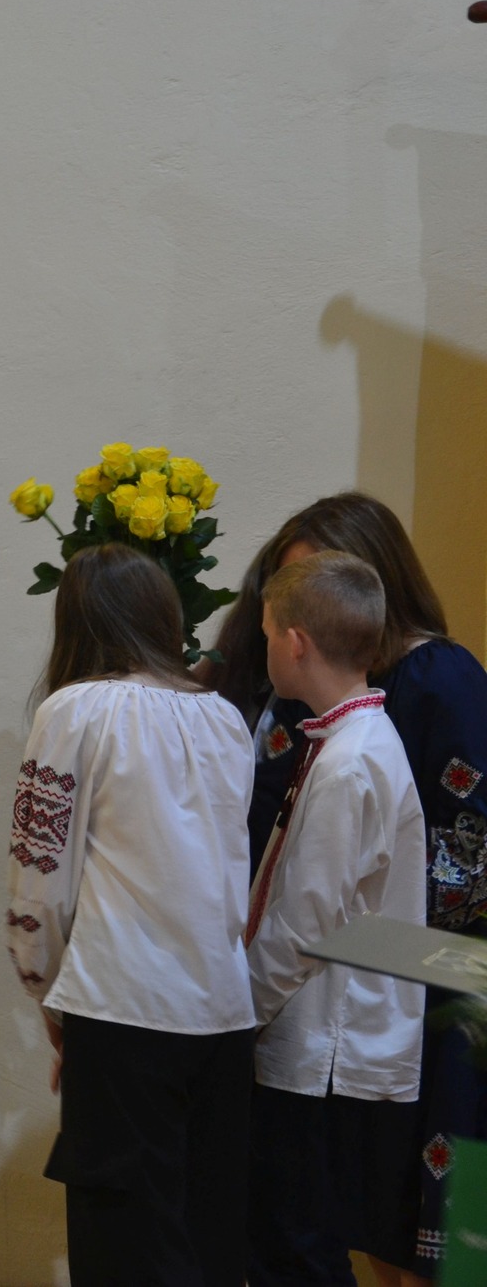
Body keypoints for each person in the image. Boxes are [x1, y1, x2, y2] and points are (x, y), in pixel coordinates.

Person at [211, 491, 487, 1284]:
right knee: (335, 1222)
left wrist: (360, 937)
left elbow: (466, 847)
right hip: (341, 978)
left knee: (433, 1230)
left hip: (430, 978)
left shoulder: (434, 676)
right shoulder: (326, 702)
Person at [4, 543, 256, 1284]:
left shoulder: (73, 710)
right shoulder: (224, 718)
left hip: (120, 1011)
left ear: (77, 622)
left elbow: (38, 876)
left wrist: (46, 991)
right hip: (222, 1015)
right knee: (205, 1241)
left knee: (124, 1248)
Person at [243, 550, 427, 1284]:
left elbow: (305, 923)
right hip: (324, 1044)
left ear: (295, 643)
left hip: (324, 1048)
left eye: (265, 632)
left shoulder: (350, 763)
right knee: (294, 1245)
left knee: (298, 1252)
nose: (263, 646)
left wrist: (240, 1009)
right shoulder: (351, 742)